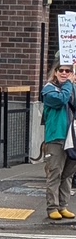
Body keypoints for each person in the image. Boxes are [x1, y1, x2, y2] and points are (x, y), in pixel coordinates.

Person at [41, 63, 76, 220]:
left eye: (68, 71)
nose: (64, 73)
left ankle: (63, 205)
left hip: (72, 137)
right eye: (61, 70)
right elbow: (61, 100)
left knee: (68, 174)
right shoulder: (49, 90)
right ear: (55, 72)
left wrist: (72, 85)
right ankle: (52, 207)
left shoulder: (72, 88)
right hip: (56, 137)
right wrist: (69, 83)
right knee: (55, 172)